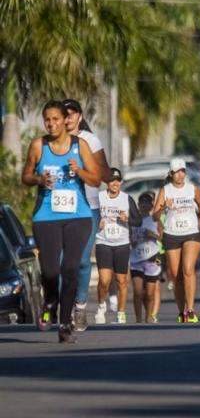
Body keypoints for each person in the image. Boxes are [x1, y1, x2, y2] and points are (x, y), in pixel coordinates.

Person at [21, 100, 101, 343]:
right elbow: (25, 176)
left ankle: (65, 322)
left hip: (78, 216)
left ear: (65, 121)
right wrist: (38, 179)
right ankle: (50, 300)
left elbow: (96, 179)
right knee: (50, 270)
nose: (52, 123)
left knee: (70, 268)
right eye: (48, 119)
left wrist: (80, 172)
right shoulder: (38, 145)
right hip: (46, 216)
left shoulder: (80, 145)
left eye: (56, 119)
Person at [62, 99, 111, 331]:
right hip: (60, 208)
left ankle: (80, 307)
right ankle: (64, 308)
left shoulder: (90, 141)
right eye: (64, 114)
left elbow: (105, 173)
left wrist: (84, 167)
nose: (68, 118)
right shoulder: (53, 142)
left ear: (79, 116)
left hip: (88, 206)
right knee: (62, 261)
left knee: (81, 260)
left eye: (71, 114)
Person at [152, 158, 200, 323]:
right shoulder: (165, 190)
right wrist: (163, 207)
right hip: (171, 233)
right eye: (177, 171)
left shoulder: (192, 189)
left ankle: (190, 310)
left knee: (188, 270)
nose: (181, 174)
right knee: (175, 275)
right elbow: (155, 216)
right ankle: (181, 310)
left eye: (183, 171)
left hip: (191, 232)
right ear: (171, 174)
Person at [94, 168, 142, 324]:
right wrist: (97, 222)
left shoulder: (126, 199)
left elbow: (138, 221)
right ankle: (101, 306)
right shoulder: (99, 198)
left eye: (117, 180)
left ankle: (121, 312)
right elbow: (89, 216)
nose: (115, 183)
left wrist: (127, 219)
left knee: (122, 281)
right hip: (104, 242)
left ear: (120, 182)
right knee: (104, 280)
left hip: (122, 244)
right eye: (111, 180)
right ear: (107, 183)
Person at [130, 192, 162, 323]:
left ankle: (149, 316)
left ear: (151, 205)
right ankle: (138, 319)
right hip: (136, 259)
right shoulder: (133, 221)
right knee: (138, 292)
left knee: (149, 293)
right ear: (138, 205)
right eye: (142, 203)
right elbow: (128, 238)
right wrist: (132, 241)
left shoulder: (155, 220)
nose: (144, 205)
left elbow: (162, 237)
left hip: (152, 258)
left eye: (147, 203)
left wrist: (152, 235)